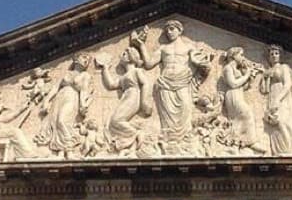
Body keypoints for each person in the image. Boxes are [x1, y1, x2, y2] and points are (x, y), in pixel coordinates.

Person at [131, 20, 212, 154]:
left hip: (183, 82)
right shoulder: (163, 49)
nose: (169, 32)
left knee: (186, 110)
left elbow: (201, 63)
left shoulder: (189, 47)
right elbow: (149, 64)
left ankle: (185, 146)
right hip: (165, 84)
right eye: (167, 30)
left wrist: (201, 62)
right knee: (167, 119)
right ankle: (168, 147)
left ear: (180, 30)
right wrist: (141, 45)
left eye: (172, 29)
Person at [37, 53, 93, 156]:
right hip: (59, 98)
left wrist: (83, 105)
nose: (86, 61)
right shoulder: (67, 73)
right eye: (84, 57)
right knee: (55, 122)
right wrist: (46, 101)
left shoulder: (85, 75)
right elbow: (55, 88)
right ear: (76, 59)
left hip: (72, 97)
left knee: (62, 121)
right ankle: (61, 152)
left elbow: (84, 90)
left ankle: (69, 149)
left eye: (88, 60)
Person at [97, 47, 152, 152]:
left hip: (134, 96)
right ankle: (129, 142)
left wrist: (144, 101)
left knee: (117, 120)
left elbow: (145, 84)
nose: (121, 56)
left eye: (124, 54)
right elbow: (111, 85)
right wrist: (105, 68)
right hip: (126, 96)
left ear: (130, 57)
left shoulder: (136, 71)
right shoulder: (124, 76)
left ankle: (136, 133)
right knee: (112, 122)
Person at [220, 47, 267, 154]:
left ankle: (236, 145)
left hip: (238, 94)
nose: (243, 57)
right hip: (232, 95)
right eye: (241, 55)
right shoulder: (228, 68)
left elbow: (243, 87)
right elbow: (233, 84)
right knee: (246, 114)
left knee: (240, 119)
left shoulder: (237, 69)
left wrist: (250, 77)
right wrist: (246, 75)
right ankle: (250, 142)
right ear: (233, 56)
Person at [260, 44, 292, 154]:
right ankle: (277, 152)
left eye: (276, 53)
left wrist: (278, 99)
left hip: (282, 98)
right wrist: (265, 78)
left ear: (280, 56)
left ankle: (287, 151)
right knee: (274, 124)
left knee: (283, 122)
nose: (274, 56)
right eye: (271, 54)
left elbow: (288, 84)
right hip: (272, 97)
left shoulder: (284, 67)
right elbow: (264, 90)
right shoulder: (268, 70)